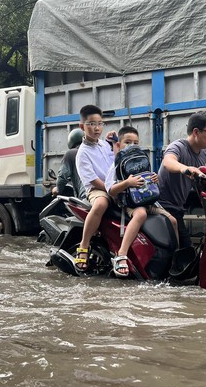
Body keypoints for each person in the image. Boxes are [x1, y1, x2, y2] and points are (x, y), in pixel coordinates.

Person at [105, 126, 178, 277]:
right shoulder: (116, 164)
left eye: (135, 143)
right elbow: (110, 190)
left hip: (148, 200)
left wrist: (154, 179)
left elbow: (149, 182)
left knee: (172, 220)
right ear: (118, 145)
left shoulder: (142, 161)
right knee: (140, 215)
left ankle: (175, 256)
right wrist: (127, 183)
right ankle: (122, 254)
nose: (132, 145)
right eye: (127, 142)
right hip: (130, 204)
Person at [157, 111, 206, 248]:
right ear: (196, 132)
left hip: (178, 207)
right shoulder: (178, 146)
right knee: (184, 248)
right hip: (163, 205)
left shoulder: (204, 153)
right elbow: (168, 162)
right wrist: (185, 169)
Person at [74, 104, 117, 271]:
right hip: (97, 189)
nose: (97, 128)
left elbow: (115, 161)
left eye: (100, 123)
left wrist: (114, 142)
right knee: (101, 204)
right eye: (91, 124)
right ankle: (83, 247)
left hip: (114, 185)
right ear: (82, 127)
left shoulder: (105, 145)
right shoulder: (82, 153)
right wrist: (111, 190)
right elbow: (93, 180)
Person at [52, 128, 86, 199]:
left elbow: (62, 176)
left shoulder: (71, 154)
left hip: (86, 196)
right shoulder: (94, 150)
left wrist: (57, 189)